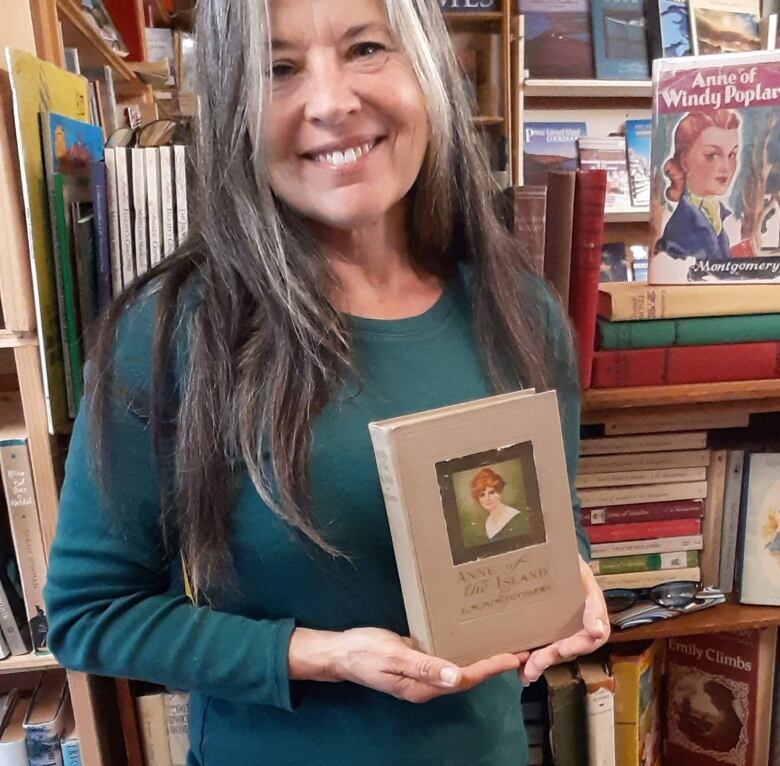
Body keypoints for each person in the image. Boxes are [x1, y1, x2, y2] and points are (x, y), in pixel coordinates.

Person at [42, 1, 609, 764]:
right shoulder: (172, 332)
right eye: (278, 69)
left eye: (366, 48)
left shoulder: (519, 313)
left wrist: (573, 578)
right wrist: (322, 655)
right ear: (233, 107)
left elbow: (553, 518)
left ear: (428, 68)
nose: (332, 102)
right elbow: (90, 615)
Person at [655, 109, 740, 263]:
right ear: (684, 161)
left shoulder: (718, 214)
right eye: (712, 155)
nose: (726, 167)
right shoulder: (679, 228)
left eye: (732, 155)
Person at [470, 467, 530, 541]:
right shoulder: (488, 522)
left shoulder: (515, 518)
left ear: (499, 491)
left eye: (491, 492)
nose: (487, 498)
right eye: (482, 495)